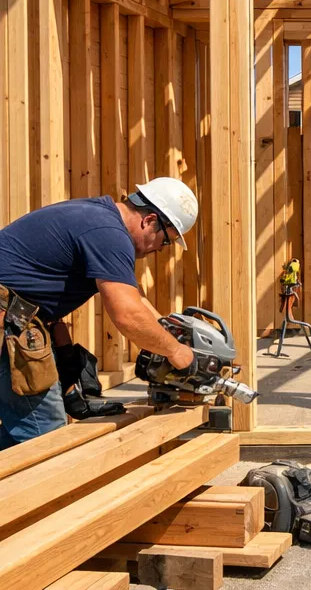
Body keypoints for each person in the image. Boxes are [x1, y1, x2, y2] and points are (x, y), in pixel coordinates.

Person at [0, 177, 199, 446]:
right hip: (9, 324)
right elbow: (127, 314)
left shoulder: (98, 218)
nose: (159, 251)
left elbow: (135, 300)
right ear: (150, 220)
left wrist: (166, 331)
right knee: (44, 438)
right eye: (165, 242)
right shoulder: (109, 235)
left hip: (14, 319)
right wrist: (177, 353)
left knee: (22, 434)